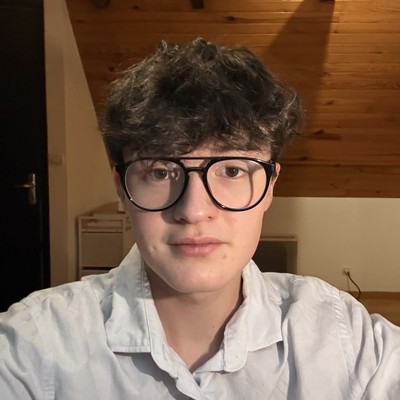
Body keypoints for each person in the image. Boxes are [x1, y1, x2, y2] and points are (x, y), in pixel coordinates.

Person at [0, 38, 399, 400]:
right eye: (160, 172)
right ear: (122, 188)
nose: (193, 210)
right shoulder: (34, 346)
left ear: (270, 187)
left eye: (232, 170)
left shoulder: (345, 339)